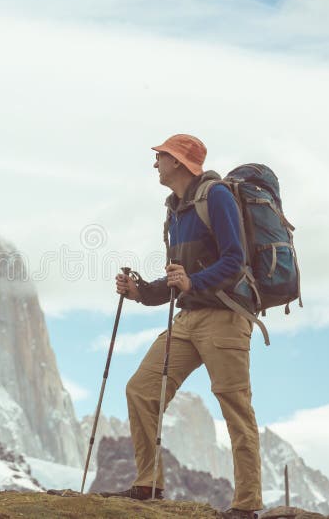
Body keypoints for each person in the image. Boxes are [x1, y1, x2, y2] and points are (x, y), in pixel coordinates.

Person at [106, 134, 263, 519]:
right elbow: (178, 279)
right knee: (141, 390)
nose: (155, 162)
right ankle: (149, 483)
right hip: (189, 318)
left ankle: (247, 505)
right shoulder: (175, 209)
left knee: (235, 407)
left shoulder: (217, 197)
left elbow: (235, 260)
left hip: (226, 318)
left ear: (178, 161)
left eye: (160, 156)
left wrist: (192, 282)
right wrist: (140, 292)